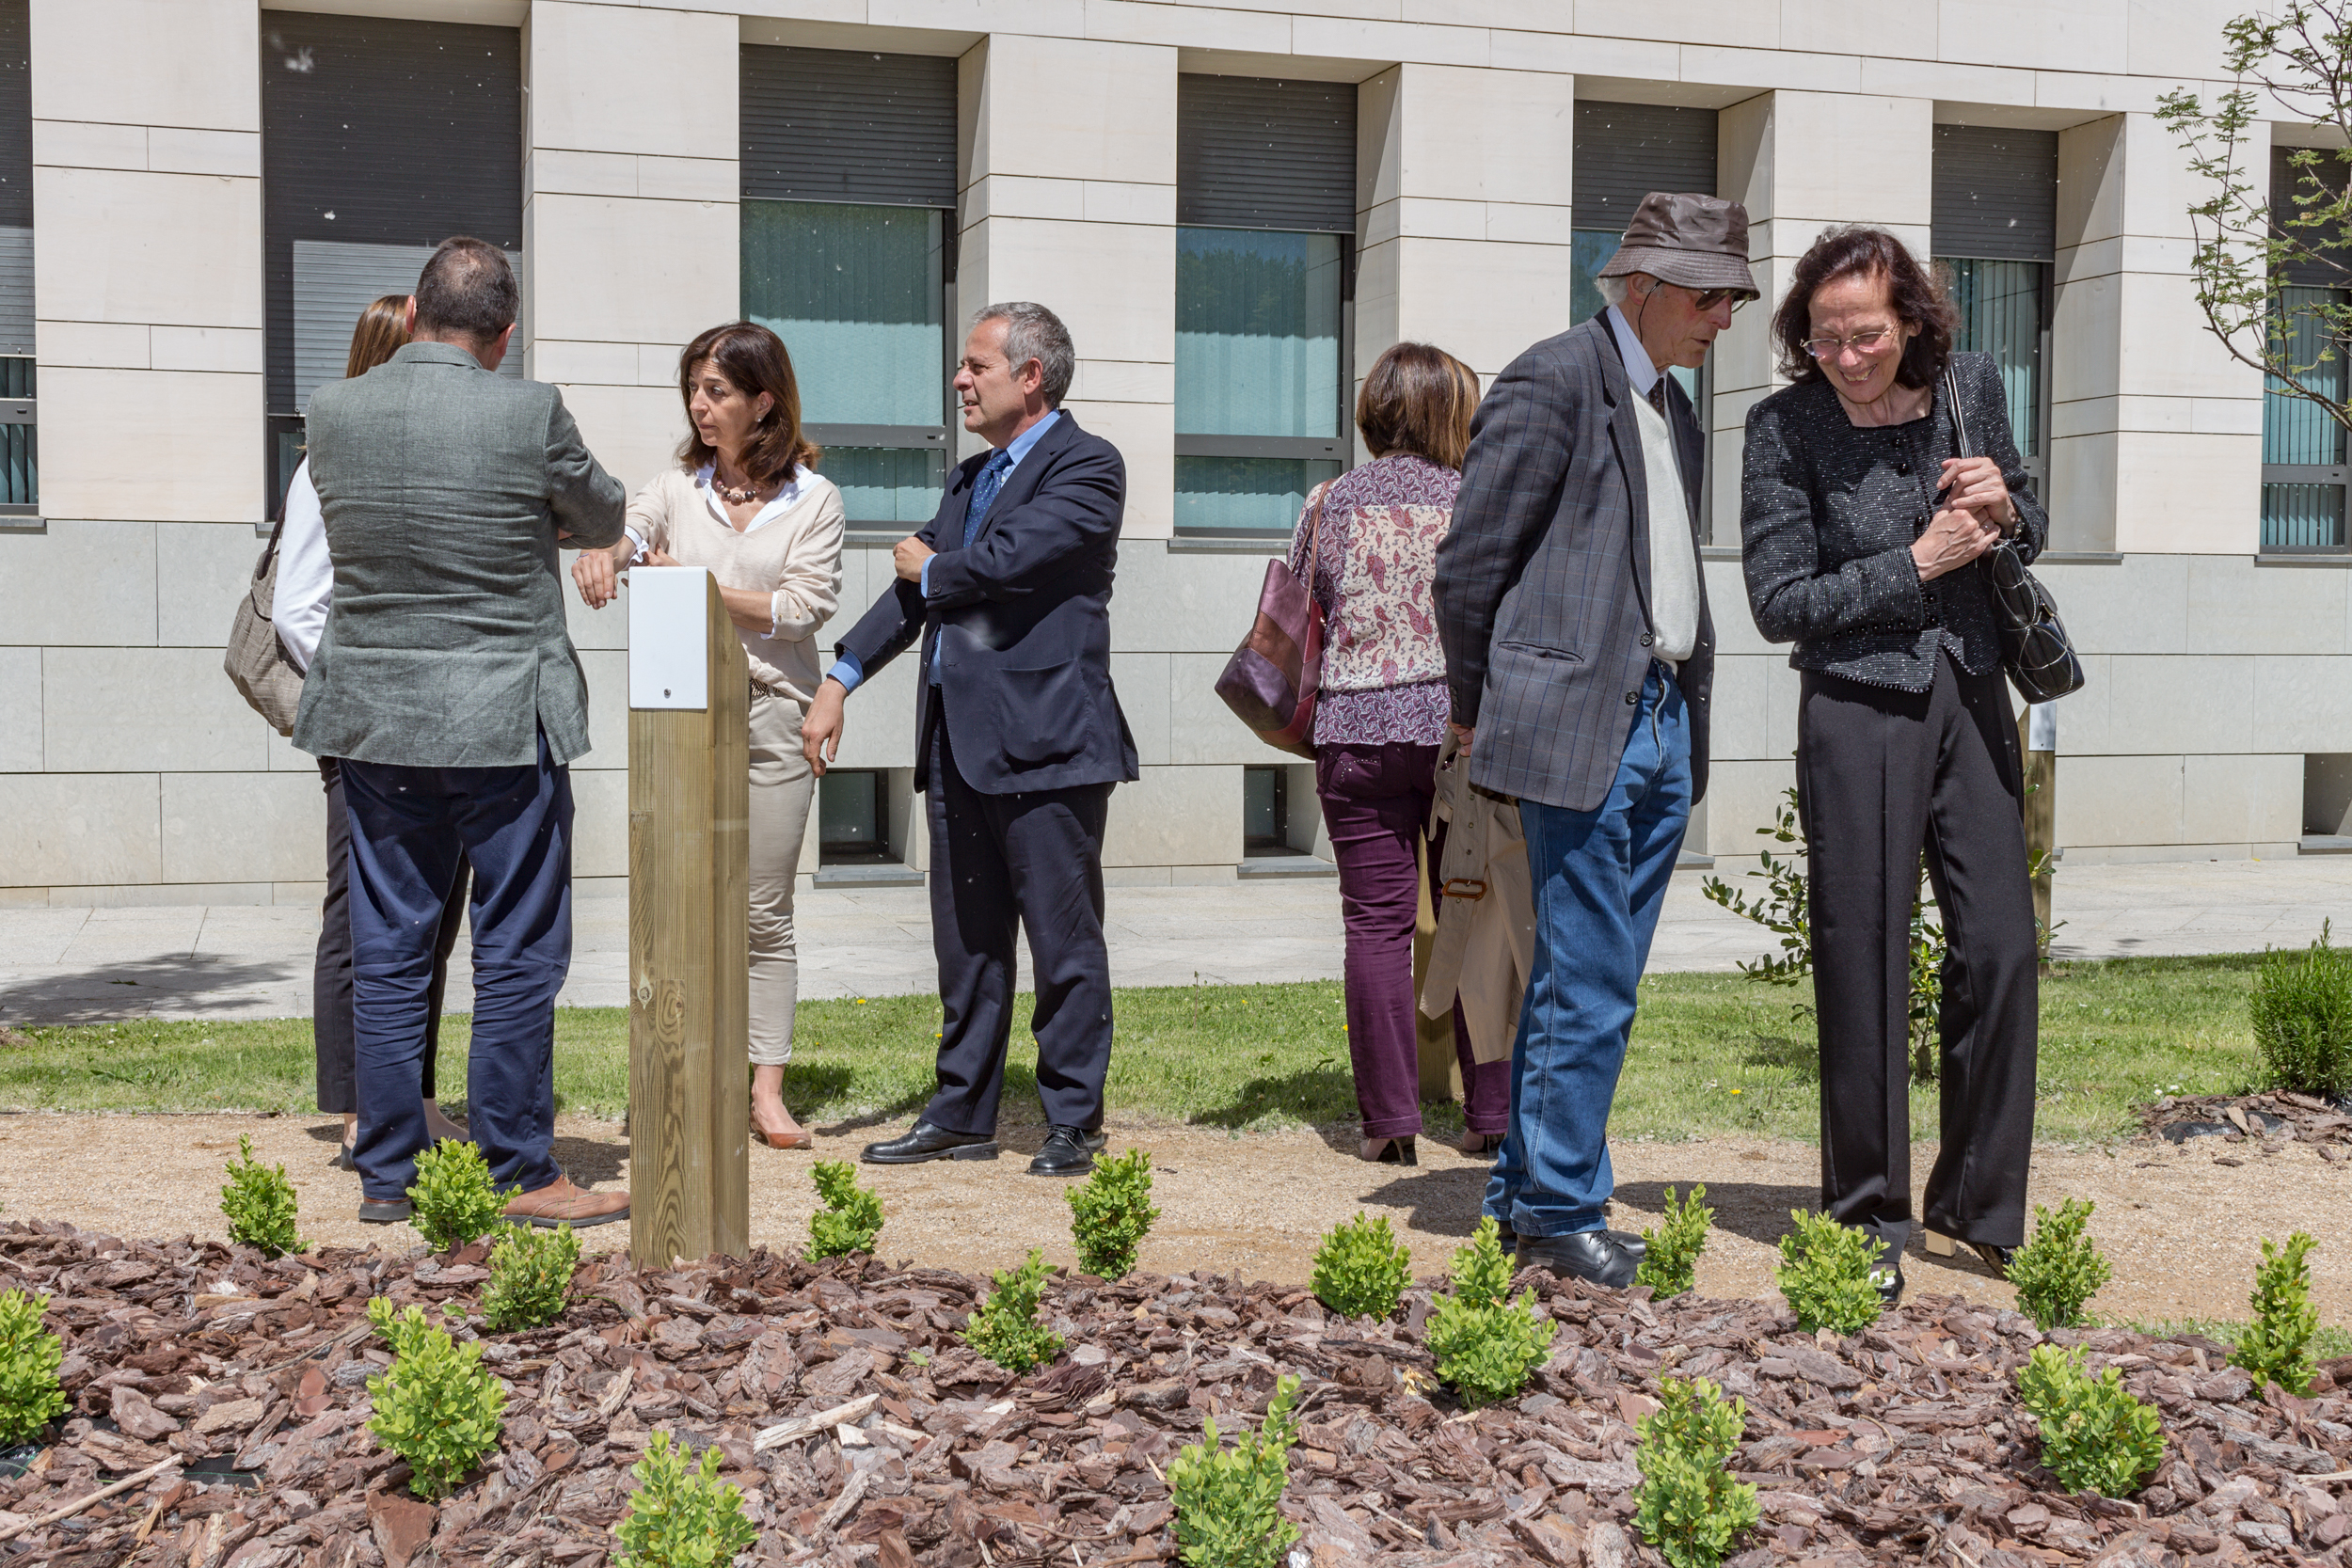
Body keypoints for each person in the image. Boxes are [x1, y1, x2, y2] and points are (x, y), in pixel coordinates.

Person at [1433, 191, 1751, 1287]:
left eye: (1734, 299)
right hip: (1580, 721)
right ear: (1645, 286)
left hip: (1661, 716)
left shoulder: (1674, 404)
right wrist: (1475, 705)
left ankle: (1528, 1192)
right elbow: (1470, 564)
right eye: (1711, 297)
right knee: (1590, 972)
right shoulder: (1552, 376)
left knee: (1591, 972)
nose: (1724, 319)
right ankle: (1563, 1208)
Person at [293, 236, 630, 1227]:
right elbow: (603, 509)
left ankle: (389, 1173)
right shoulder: (528, 410)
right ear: (504, 334)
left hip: (374, 722)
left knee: (390, 947)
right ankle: (520, 1171)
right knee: (517, 948)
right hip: (502, 720)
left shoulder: (333, 410)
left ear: (413, 311)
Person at [1739, 226, 2045, 1304]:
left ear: (1909, 318)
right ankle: (1865, 1207)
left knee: (2001, 948)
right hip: (1857, 703)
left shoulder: (1971, 385)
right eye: (1823, 339)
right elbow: (1778, 603)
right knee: (1861, 954)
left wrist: (2006, 507)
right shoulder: (1783, 427)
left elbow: (2029, 519)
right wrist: (1911, 564)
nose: (1846, 356)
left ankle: (1978, 1200)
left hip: (1970, 690)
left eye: (1864, 334)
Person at [801, 301, 1135, 1179]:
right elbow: (915, 599)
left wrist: (935, 565)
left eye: (975, 366)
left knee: (1064, 944)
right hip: (957, 742)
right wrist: (840, 677)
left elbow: (1008, 561)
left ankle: (1072, 1121)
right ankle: (960, 1113)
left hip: (1049, 744)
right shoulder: (968, 479)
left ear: (1031, 376)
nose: (958, 381)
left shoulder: (1089, 466)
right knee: (967, 942)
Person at [571, 322, 845, 1149]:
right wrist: (607, 552)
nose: (700, 403)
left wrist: (697, 586)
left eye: (717, 390)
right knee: (684, 903)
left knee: (763, 912)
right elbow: (632, 529)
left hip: (774, 715)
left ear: (764, 401)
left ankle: (766, 1089)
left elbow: (803, 607)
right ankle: (686, 1076)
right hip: (683, 714)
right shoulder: (676, 487)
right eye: (694, 387)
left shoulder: (815, 500)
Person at [1285, 341, 1510, 1166]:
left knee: (1374, 925)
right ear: (1454, 413)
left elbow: (1301, 606)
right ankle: (1492, 1115)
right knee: (1482, 919)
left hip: (1354, 734)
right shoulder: (1476, 497)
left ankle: (1389, 1124)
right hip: (1464, 735)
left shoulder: (1328, 500)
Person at [276, 293, 471, 1171]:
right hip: (363, 725)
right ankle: (360, 1104)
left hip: (438, 728)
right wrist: (378, 691)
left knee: (431, 919)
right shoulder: (328, 460)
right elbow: (297, 610)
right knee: (360, 921)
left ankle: (414, 1094)